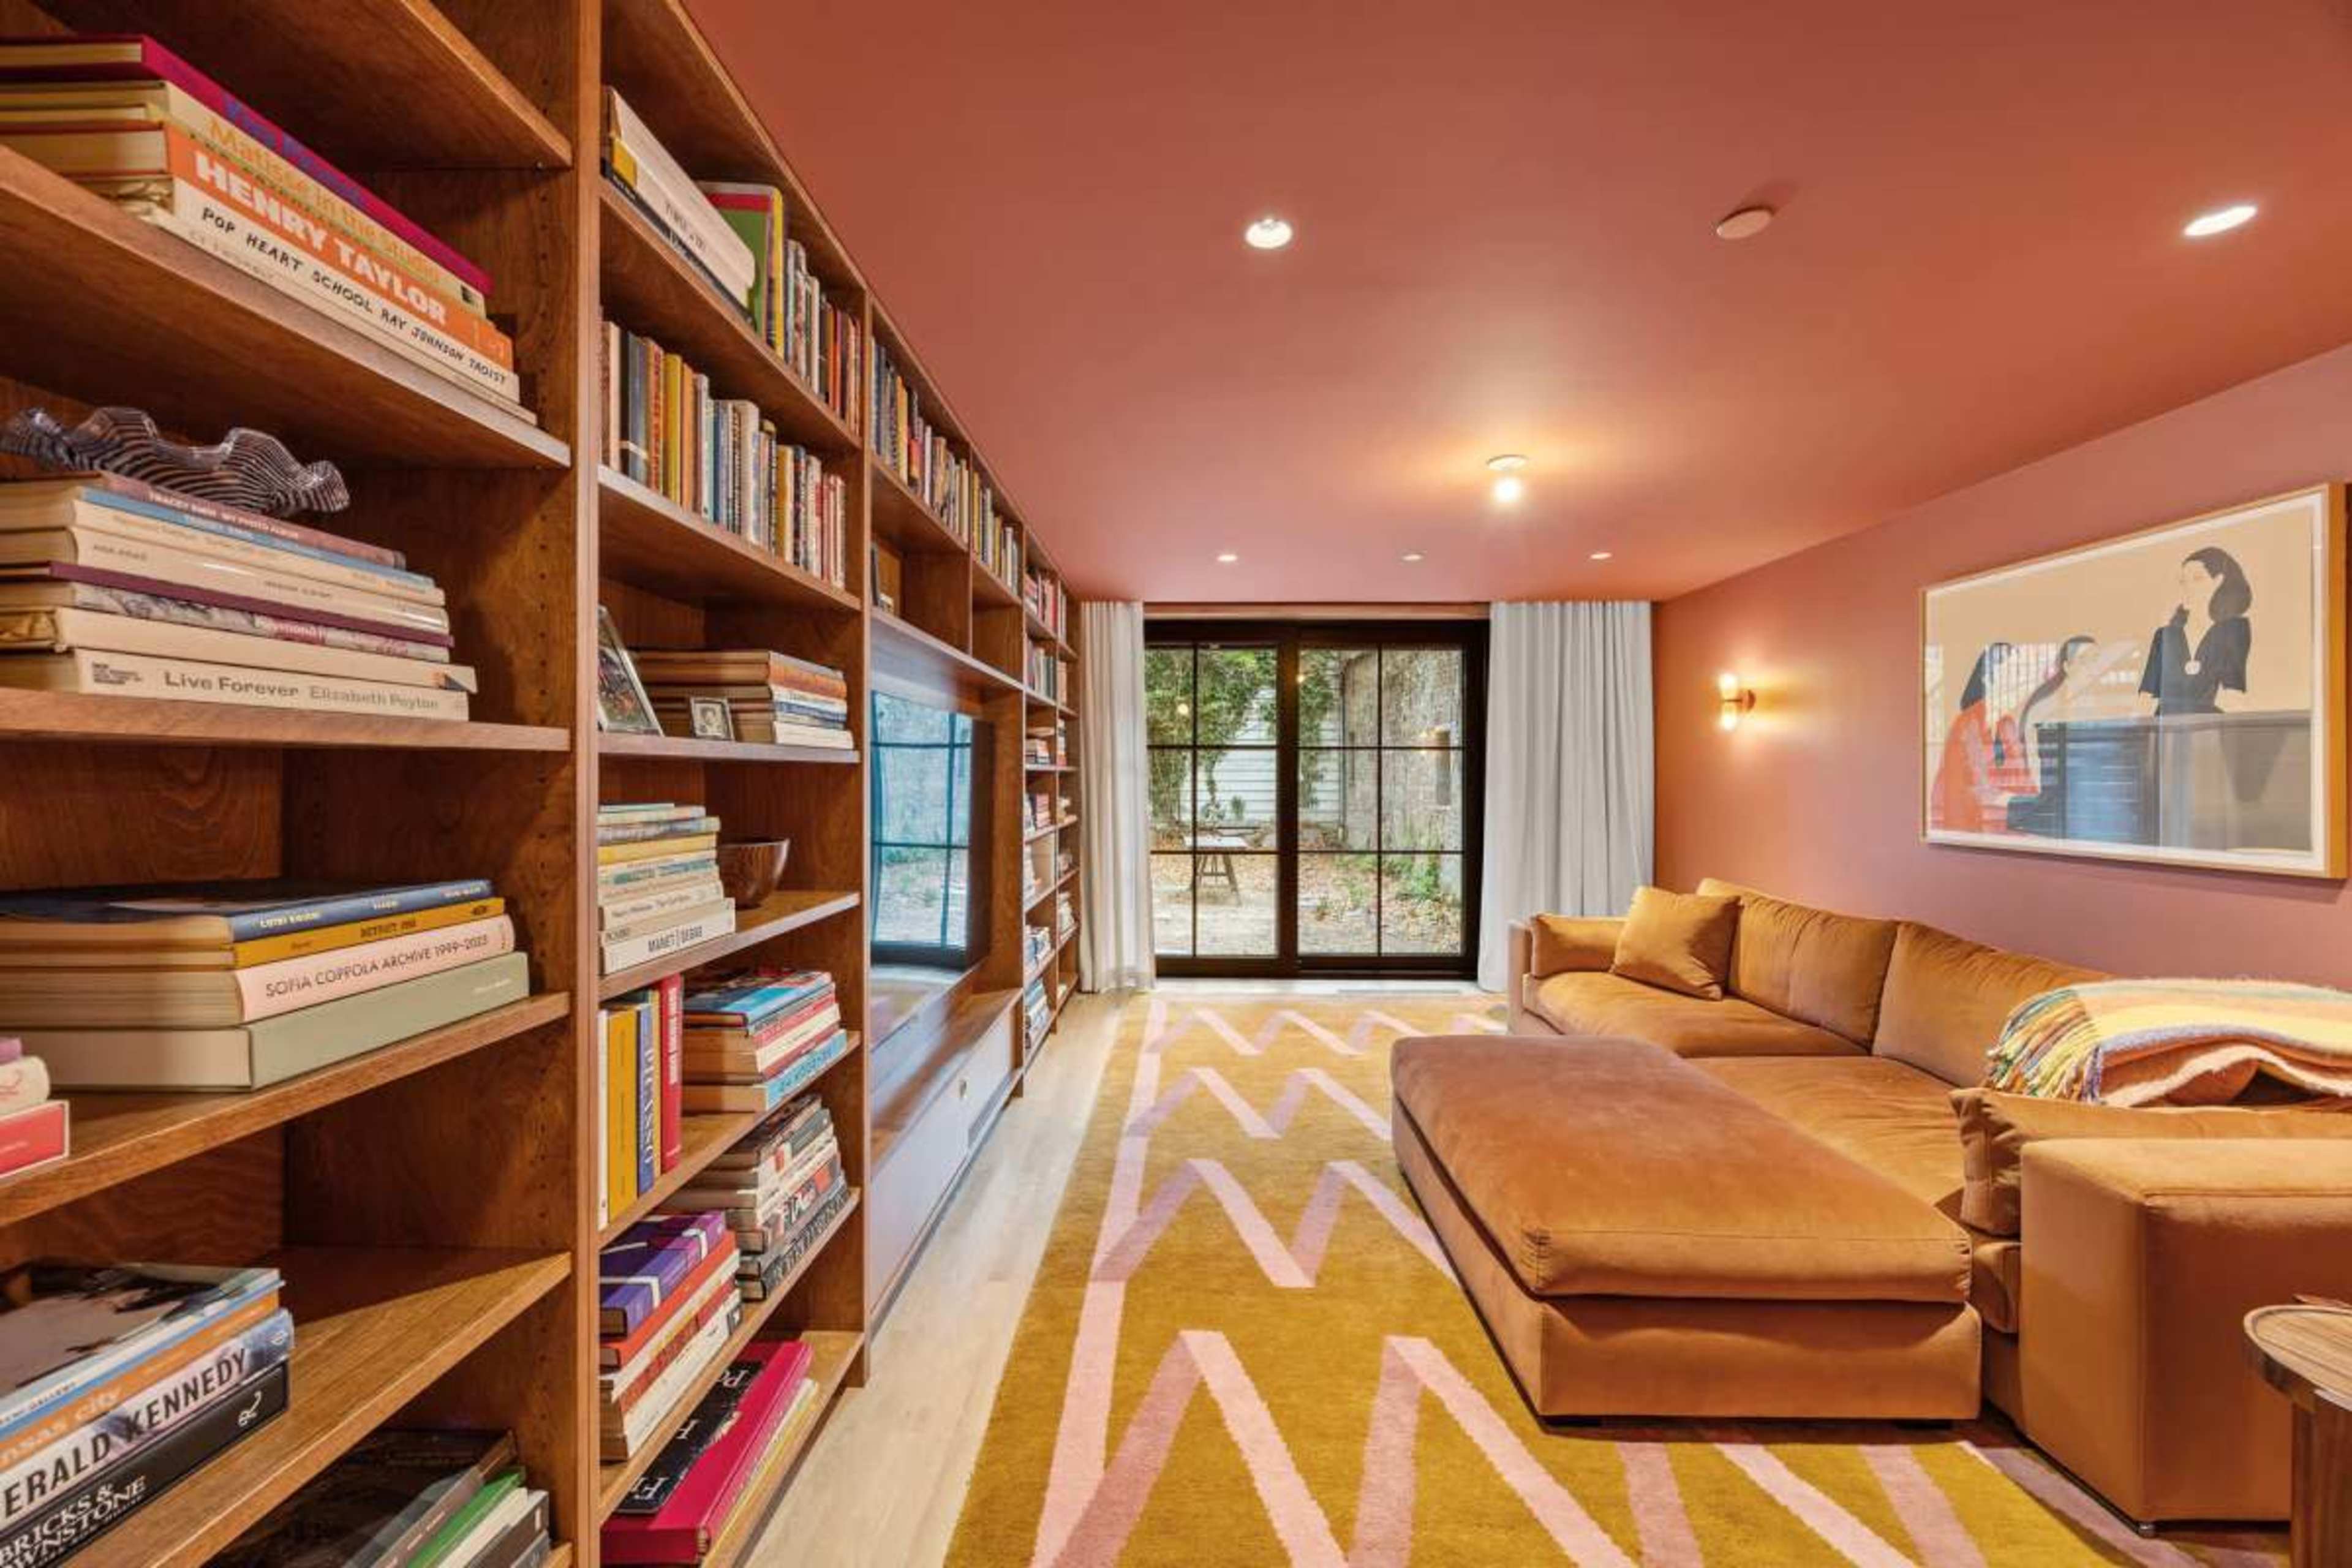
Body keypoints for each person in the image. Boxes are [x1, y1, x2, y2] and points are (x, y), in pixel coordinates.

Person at [2139, 546, 2252, 716]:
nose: (2188, 587)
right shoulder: (2165, 635)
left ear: (2218, 581)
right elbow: (2146, 697)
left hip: (2209, 730)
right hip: (2167, 730)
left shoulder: (2234, 629)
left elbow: (2233, 693)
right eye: (2184, 581)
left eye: (2198, 579)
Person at [1931, 643, 2032, 832]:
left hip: (2007, 820)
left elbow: (2023, 781)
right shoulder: (1968, 724)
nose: (2017, 678)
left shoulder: (2008, 724)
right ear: (1988, 677)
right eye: (2007, 669)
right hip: (1974, 826)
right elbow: (1977, 789)